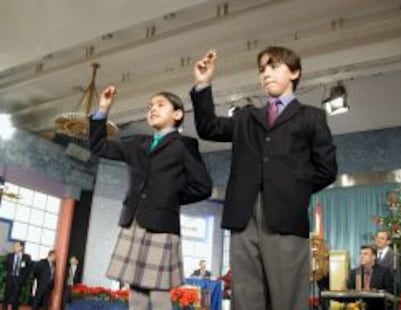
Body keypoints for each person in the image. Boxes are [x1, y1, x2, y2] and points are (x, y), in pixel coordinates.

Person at [190, 47, 337, 310]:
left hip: (285, 218)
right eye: (261, 69)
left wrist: (292, 192)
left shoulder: (312, 117)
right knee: (245, 297)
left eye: (274, 66)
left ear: (294, 72)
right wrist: (203, 85)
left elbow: (327, 169)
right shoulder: (246, 116)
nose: (266, 73)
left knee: (287, 299)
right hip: (243, 216)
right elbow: (208, 127)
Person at [89, 86, 212, 310]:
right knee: (135, 289)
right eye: (150, 106)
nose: (153, 109)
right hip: (133, 221)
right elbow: (99, 146)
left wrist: (168, 199)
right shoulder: (136, 143)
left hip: (162, 225)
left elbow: (202, 186)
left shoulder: (184, 146)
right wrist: (103, 110)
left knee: (158, 292)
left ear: (177, 114)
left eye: (160, 105)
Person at [348, 245, 393, 309]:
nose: (362, 256)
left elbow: (390, 291)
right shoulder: (354, 272)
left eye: (365, 254)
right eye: (361, 254)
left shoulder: (384, 272)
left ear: (373, 257)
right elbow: (349, 291)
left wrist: (376, 291)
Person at [2, 241, 32, 310]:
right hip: (10, 278)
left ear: (21, 247)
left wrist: (24, 279)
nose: (14, 247)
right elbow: (5, 266)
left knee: (15, 297)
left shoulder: (26, 257)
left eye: (16, 245)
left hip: (19, 280)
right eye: (14, 245)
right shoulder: (10, 256)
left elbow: (29, 269)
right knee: (6, 296)